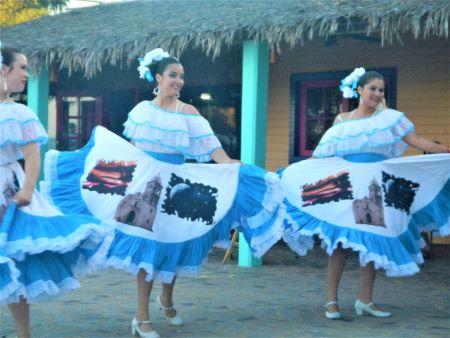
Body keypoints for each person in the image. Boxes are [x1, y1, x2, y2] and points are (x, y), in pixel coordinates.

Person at [41, 48, 285, 338]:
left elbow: (214, 151)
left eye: (181, 76)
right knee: (147, 247)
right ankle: (141, 317)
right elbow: (130, 149)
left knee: (175, 241)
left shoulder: (189, 113)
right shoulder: (141, 110)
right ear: (158, 77)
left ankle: (166, 298)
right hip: (145, 184)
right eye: (173, 75)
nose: (179, 81)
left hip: (177, 185)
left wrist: (235, 167)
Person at [280, 68, 449, 320]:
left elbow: (418, 141)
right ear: (359, 90)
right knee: (340, 244)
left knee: (370, 240)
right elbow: (320, 155)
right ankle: (331, 301)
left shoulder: (390, 119)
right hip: (346, 187)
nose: (377, 94)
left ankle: (365, 300)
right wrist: (294, 173)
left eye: (381, 90)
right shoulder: (342, 122)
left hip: (373, 186)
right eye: (372, 88)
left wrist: (445, 148)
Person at [0, 45, 111, 337]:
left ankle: (23, 334)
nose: (26, 74)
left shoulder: (18, 112)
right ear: (3, 71)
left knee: (15, 262)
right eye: (21, 67)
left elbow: (33, 156)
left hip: (8, 191)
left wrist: (26, 189)